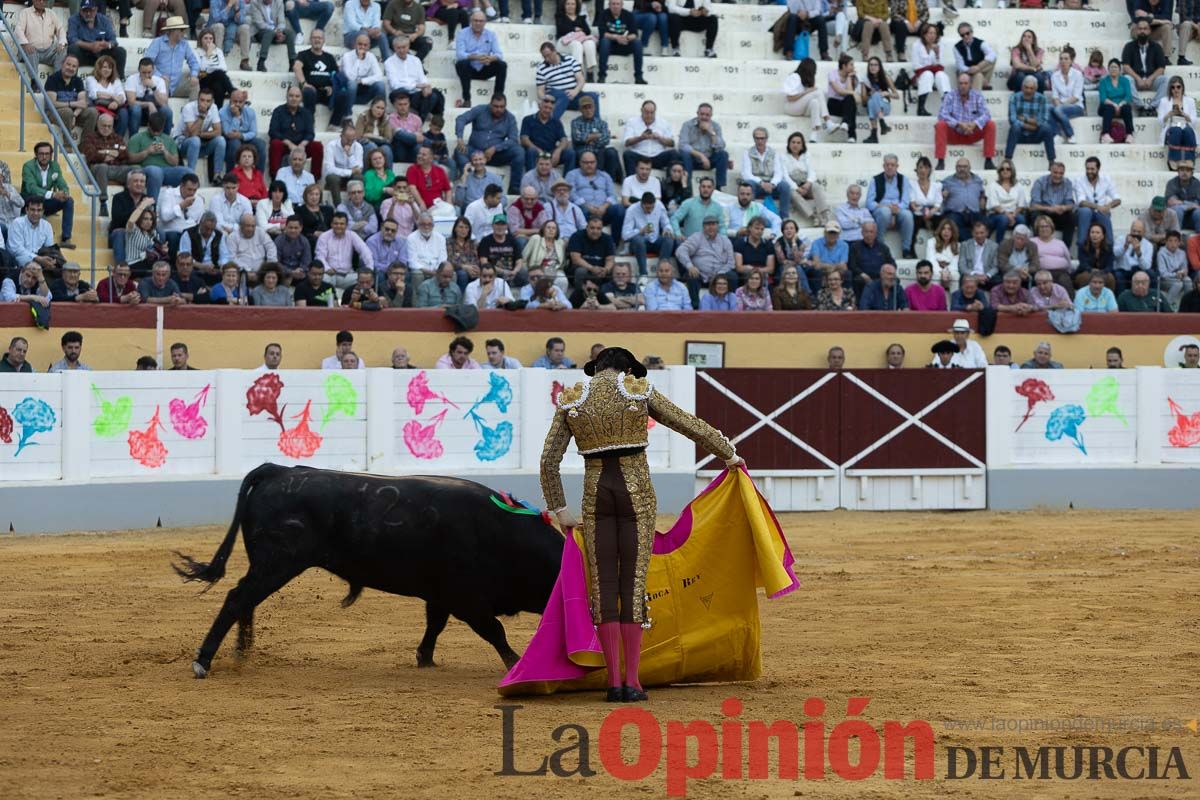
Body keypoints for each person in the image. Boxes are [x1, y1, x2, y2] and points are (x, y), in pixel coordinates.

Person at [540, 346, 741, 700]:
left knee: (604, 585)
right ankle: (632, 682)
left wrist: (560, 510)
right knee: (632, 584)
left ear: (598, 368)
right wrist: (728, 454)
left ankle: (613, 682)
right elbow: (688, 424)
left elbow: (548, 462)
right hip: (636, 496)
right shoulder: (636, 390)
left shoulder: (571, 399)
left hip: (595, 496)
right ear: (627, 369)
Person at [453, 94, 523, 195]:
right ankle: (469, 180)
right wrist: (460, 137)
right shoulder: (480, 109)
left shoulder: (510, 118)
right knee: (459, 150)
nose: (498, 109)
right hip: (475, 152)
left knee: (519, 152)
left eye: (502, 107)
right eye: (495, 106)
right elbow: (461, 119)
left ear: (505, 106)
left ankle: (514, 189)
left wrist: (495, 148)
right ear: (490, 104)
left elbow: (513, 139)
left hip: (496, 155)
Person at [935, 73, 997, 171]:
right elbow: (942, 115)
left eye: (965, 83)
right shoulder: (950, 96)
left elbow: (986, 114)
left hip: (972, 133)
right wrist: (958, 124)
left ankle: (988, 160)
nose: (963, 86)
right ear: (957, 84)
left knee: (990, 124)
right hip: (955, 133)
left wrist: (975, 124)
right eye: (961, 83)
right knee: (940, 125)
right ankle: (940, 161)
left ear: (970, 84)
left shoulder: (977, 96)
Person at [21, 142, 75, 248]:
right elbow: (31, 188)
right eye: (41, 154)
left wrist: (64, 193)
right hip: (30, 202)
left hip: (46, 202)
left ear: (51, 155)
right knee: (37, 199)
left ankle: (66, 238)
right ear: (36, 155)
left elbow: (62, 183)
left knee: (69, 201)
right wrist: (53, 194)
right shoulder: (28, 166)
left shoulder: (54, 166)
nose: (44, 157)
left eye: (47, 154)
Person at [566, 151, 624, 244]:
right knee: (578, 210)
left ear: (596, 163)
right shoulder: (572, 175)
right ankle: (581, 244)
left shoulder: (605, 175)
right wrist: (588, 207)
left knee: (619, 209)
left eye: (592, 162)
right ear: (580, 163)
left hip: (604, 211)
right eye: (586, 162)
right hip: (584, 210)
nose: (589, 165)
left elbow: (612, 195)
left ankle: (613, 244)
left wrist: (604, 207)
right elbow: (571, 194)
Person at [293, 30, 349, 127]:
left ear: (323, 41)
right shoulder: (303, 54)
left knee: (343, 95)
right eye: (314, 37)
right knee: (308, 92)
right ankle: (309, 123)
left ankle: (334, 125)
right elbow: (296, 67)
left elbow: (336, 75)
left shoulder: (329, 57)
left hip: (326, 92)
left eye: (319, 38)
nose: (317, 40)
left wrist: (332, 87)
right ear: (310, 40)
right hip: (311, 90)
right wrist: (304, 84)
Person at [268, 86, 323, 179]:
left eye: (297, 96)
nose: (294, 98)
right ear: (286, 97)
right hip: (285, 144)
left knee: (317, 146)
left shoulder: (306, 113)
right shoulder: (278, 111)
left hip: (302, 145)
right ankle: (275, 178)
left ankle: (315, 179)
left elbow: (310, 133)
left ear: (301, 98)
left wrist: (302, 145)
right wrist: (289, 144)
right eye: (291, 96)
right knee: (275, 144)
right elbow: (273, 132)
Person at [386, 36, 444, 120]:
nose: (401, 50)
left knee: (435, 94)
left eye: (404, 47)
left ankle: (431, 119)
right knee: (402, 92)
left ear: (408, 46)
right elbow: (395, 85)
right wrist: (415, 85)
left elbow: (422, 78)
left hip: (416, 94)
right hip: (400, 93)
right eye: (398, 48)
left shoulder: (416, 60)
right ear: (394, 48)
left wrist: (425, 87)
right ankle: (423, 119)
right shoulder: (389, 62)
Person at [454, 11, 507, 103]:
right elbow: (460, 54)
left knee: (502, 65)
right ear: (471, 21)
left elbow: (499, 54)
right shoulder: (462, 33)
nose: (478, 23)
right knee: (462, 63)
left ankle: (498, 99)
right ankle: (467, 99)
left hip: (484, 67)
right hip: (468, 69)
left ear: (485, 22)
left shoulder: (491, 35)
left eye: (481, 21)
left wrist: (490, 58)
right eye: (475, 20)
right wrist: (476, 57)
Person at [144, 16, 200, 101]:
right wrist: (160, 76)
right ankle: (165, 111)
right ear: (172, 31)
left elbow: (194, 62)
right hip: (160, 80)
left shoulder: (184, 44)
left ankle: (192, 112)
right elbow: (147, 63)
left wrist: (194, 75)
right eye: (181, 30)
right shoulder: (158, 42)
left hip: (177, 83)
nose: (184, 33)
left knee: (195, 82)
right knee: (163, 82)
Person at [42, 54, 98, 138]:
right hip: (54, 114)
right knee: (67, 111)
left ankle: (85, 145)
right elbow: (52, 104)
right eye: (68, 64)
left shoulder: (78, 81)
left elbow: (82, 103)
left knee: (92, 112)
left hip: (72, 114)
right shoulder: (52, 79)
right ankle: (67, 145)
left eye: (74, 66)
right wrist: (72, 104)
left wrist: (74, 115)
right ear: (62, 64)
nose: (71, 68)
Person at [1006, 75, 1055, 169]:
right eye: (1026, 87)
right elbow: (1012, 120)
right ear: (1022, 87)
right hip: (1020, 134)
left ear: (1036, 89)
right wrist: (1032, 125)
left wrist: (1025, 119)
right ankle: (1008, 160)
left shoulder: (1042, 99)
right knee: (1015, 127)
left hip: (1036, 135)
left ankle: (1051, 161)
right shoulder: (1014, 98)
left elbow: (1043, 120)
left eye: (1031, 88)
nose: (1028, 91)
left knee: (1047, 128)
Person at [177, 88, 226, 181]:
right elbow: (193, 135)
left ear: (212, 102)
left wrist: (200, 134)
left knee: (221, 140)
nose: (204, 103)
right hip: (182, 143)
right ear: (197, 99)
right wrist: (202, 116)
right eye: (202, 100)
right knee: (195, 140)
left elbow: (218, 132)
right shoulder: (189, 107)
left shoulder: (213, 107)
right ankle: (190, 176)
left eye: (208, 101)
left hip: (200, 143)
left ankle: (217, 175)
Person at [1122, 17, 1168, 113]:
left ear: (1150, 31)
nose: (1142, 31)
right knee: (1126, 79)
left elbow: (1161, 68)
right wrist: (1138, 79)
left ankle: (1152, 107)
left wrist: (1150, 79)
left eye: (1145, 29)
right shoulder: (1129, 46)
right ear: (1136, 31)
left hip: (1151, 80)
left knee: (1166, 80)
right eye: (1140, 29)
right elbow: (1126, 66)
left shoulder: (1156, 47)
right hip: (1135, 80)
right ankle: (1141, 107)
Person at [67, 0, 125, 76]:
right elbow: (72, 39)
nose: (88, 13)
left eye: (91, 10)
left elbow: (113, 41)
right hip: (84, 54)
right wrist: (90, 46)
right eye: (85, 11)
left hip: (102, 54)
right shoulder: (73, 20)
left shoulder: (104, 20)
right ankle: (72, 80)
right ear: (80, 11)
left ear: (96, 10)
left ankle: (119, 80)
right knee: (73, 48)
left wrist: (106, 44)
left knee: (120, 51)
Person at [596, 0, 646, 85]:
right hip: (610, 46)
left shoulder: (628, 15)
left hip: (625, 44)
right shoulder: (603, 14)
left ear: (622, 5)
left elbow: (634, 34)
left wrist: (626, 38)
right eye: (613, 4)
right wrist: (616, 37)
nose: (615, 6)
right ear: (609, 5)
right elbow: (603, 34)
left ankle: (638, 76)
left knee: (637, 43)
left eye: (618, 4)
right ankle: (602, 76)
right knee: (604, 41)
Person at [521, 97, 575, 175]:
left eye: (550, 108)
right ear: (539, 106)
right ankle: (532, 181)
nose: (547, 110)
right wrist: (538, 151)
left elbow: (564, 140)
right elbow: (524, 139)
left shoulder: (556, 122)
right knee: (531, 151)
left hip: (551, 153)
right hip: (535, 152)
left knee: (570, 153)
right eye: (545, 107)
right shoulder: (528, 119)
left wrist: (558, 151)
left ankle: (567, 183)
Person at [1029, 163, 1077, 251]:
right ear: (1050, 171)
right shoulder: (1040, 182)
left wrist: (1064, 208)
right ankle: (1037, 249)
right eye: (1055, 172)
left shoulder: (1067, 182)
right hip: (1044, 213)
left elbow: (1070, 203)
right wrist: (1050, 208)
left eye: (1061, 173)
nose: (1058, 176)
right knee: (1035, 215)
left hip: (1059, 214)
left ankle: (1065, 250)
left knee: (1071, 217)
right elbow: (1033, 205)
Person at [784, 59, 831, 144]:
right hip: (791, 106)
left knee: (815, 103)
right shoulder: (794, 77)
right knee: (818, 92)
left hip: (802, 107)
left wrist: (810, 89)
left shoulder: (806, 79)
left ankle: (814, 133)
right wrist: (808, 91)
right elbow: (790, 98)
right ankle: (828, 121)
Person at [221, 89, 266, 177]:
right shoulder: (222, 112)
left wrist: (242, 135)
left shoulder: (250, 112)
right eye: (235, 101)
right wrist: (236, 116)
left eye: (240, 102)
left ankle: (259, 176)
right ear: (230, 101)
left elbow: (253, 132)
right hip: (230, 140)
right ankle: (230, 176)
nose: (237, 104)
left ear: (244, 102)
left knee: (260, 143)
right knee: (235, 143)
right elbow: (228, 133)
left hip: (245, 138)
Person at [911, 22, 949, 119]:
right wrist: (931, 67)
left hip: (935, 76)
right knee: (928, 74)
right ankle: (921, 108)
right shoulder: (917, 45)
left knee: (941, 75)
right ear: (924, 34)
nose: (932, 36)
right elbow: (916, 66)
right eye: (930, 33)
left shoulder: (940, 45)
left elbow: (941, 65)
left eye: (934, 33)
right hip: (921, 77)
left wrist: (937, 54)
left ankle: (948, 107)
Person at [16, 0, 67, 72]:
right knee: (31, 51)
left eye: (44, 0)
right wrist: (25, 44)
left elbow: (60, 29)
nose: (42, 2)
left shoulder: (51, 13)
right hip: (32, 50)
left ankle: (57, 78)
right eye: (39, 0)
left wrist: (61, 43)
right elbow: (19, 30)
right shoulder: (25, 13)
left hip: (48, 52)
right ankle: (34, 81)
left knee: (62, 50)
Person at [324, 123, 364, 207]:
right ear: (341, 135)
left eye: (352, 139)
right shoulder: (331, 146)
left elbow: (358, 168)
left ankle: (354, 205)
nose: (349, 142)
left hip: (350, 177)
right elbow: (329, 169)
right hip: (336, 177)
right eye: (347, 139)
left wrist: (350, 155)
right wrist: (350, 172)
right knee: (332, 177)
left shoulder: (358, 146)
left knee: (359, 177)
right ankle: (339, 207)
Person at [1050, 49, 1085, 145]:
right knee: (1047, 108)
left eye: (1066, 59)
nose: (1063, 61)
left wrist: (1060, 106)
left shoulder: (1078, 74)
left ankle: (1070, 135)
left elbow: (1076, 96)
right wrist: (1059, 106)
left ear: (1071, 61)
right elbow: (1055, 96)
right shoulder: (1054, 76)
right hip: (1061, 105)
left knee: (1057, 110)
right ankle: (1057, 135)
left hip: (1076, 106)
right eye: (1061, 59)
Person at [953, 22, 996, 92]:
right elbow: (961, 66)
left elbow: (992, 55)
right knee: (978, 75)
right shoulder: (957, 47)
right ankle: (983, 83)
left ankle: (982, 82)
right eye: (962, 35)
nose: (965, 36)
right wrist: (971, 70)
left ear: (972, 32)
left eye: (967, 33)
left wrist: (978, 67)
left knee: (992, 59)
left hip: (980, 68)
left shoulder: (980, 43)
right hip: (966, 72)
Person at [825, 54, 858, 143]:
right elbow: (839, 91)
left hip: (845, 106)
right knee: (851, 104)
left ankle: (845, 123)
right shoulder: (832, 74)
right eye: (851, 65)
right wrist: (853, 93)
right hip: (833, 104)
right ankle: (852, 135)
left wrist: (849, 77)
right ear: (844, 66)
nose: (853, 67)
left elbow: (849, 91)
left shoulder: (850, 77)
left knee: (850, 100)